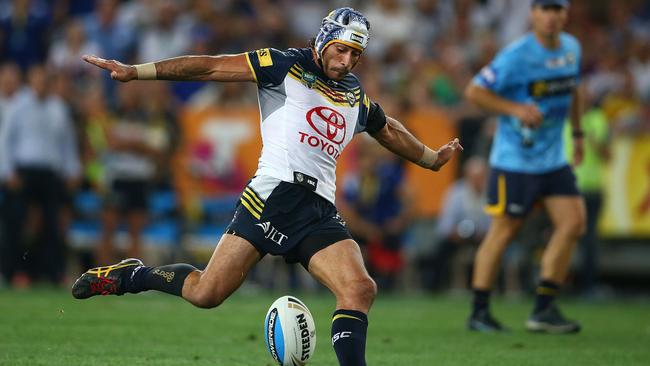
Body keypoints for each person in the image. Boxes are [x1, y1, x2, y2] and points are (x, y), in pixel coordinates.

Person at [71, 7, 462, 366]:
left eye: (355, 55)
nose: (346, 61)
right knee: (206, 293)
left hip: (318, 208)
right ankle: (132, 276)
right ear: (324, 39)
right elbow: (209, 68)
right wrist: (135, 71)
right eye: (341, 50)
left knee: (359, 288)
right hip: (274, 194)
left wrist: (431, 158)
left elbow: (387, 128)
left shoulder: (355, 92)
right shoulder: (283, 65)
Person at [464, 0, 585, 334]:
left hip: (553, 158)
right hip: (515, 161)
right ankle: (479, 311)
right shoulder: (516, 55)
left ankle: (543, 309)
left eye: (557, 9)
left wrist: (576, 133)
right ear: (533, 14)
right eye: (545, 9)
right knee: (504, 231)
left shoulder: (572, 47)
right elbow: (474, 91)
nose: (551, 16)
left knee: (573, 223)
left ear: (566, 13)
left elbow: (573, 89)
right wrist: (515, 109)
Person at [0, 65, 81, 286]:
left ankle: (53, 273)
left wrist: (72, 170)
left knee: (53, 224)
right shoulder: (17, 105)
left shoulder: (58, 108)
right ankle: (16, 271)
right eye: (38, 80)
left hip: (50, 173)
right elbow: (5, 141)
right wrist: (7, 172)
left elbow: (67, 143)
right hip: (23, 172)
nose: (42, 84)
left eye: (45, 80)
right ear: (30, 81)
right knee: (19, 223)